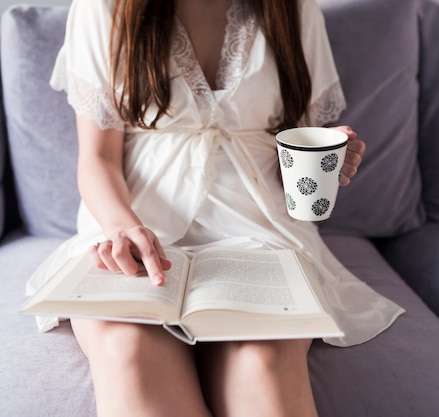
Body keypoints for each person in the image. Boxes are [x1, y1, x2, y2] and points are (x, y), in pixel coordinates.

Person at [28, 0, 405, 416]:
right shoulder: (105, 8)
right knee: (130, 351)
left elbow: (293, 146)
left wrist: (324, 161)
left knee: (263, 361)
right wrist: (120, 226)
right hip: (138, 229)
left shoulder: (294, 9)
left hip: (260, 231)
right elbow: (97, 159)